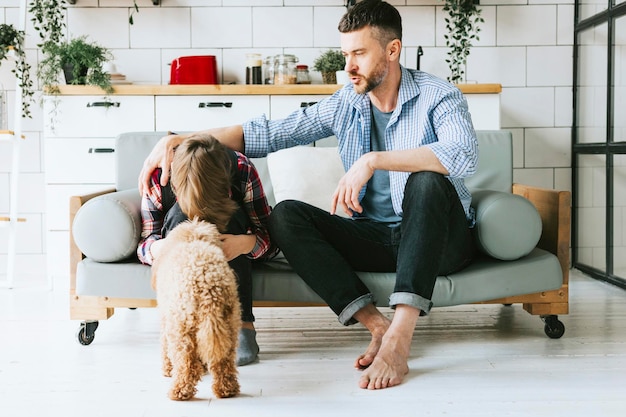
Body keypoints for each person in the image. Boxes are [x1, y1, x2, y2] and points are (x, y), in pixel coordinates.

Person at [138, 0, 478, 389]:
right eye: (346, 53)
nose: (349, 65)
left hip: (442, 242)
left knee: (427, 179)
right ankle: (377, 325)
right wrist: (183, 138)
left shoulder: (440, 95)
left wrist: (373, 160)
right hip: (379, 236)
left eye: (359, 54)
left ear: (392, 50)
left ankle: (400, 341)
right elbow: (268, 133)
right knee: (285, 216)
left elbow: (462, 154)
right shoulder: (346, 102)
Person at [137, 134, 277, 366]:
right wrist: (162, 248)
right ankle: (185, 324)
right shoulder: (157, 179)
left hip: (234, 250)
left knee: (231, 217)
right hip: (180, 262)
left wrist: (243, 243)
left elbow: (270, 238)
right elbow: (144, 245)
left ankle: (241, 324)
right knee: (179, 218)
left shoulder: (242, 169)